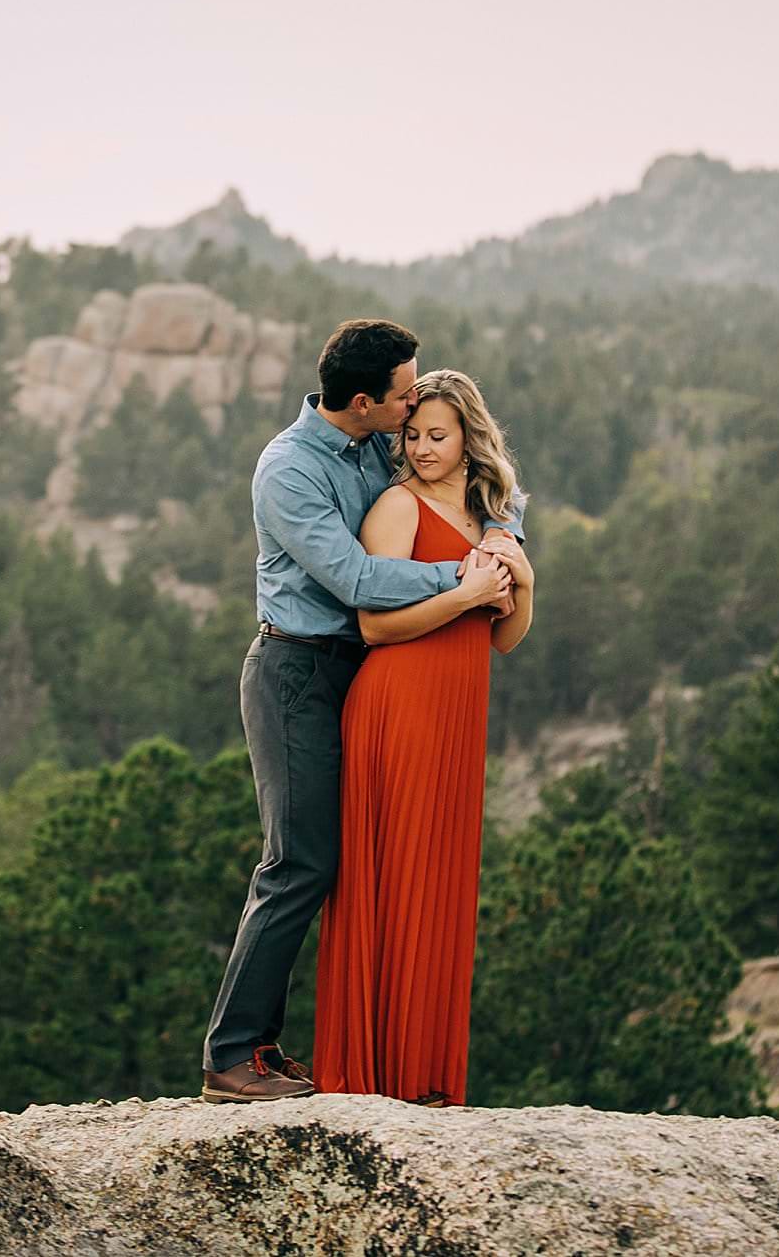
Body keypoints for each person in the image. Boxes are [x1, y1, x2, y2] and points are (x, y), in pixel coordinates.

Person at [201, 320, 522, 1104]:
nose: (412, 408)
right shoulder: (290, 470)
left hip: (367, 677)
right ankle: (232, 1054)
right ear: (361, 401)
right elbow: (359, 581)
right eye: (402, 396)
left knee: (356, 864)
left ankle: (306, 1051)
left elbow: (481, 480)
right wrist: (469, 577)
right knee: (300, 861)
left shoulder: (378, 444)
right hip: (296, 672)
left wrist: (505, 539)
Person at [312, 369, 533, 1107]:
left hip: (458, 718)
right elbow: (373, 626)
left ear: (471, 436)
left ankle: (427, 1078)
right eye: (412, 434)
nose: (421, 447)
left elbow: (503, 640)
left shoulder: (493, 519)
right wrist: (463, 593)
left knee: (439, 885)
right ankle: (377, 1078)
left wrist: (519, 588)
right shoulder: (396, 507)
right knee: (395, 882)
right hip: (399, 707)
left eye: (437, 435)